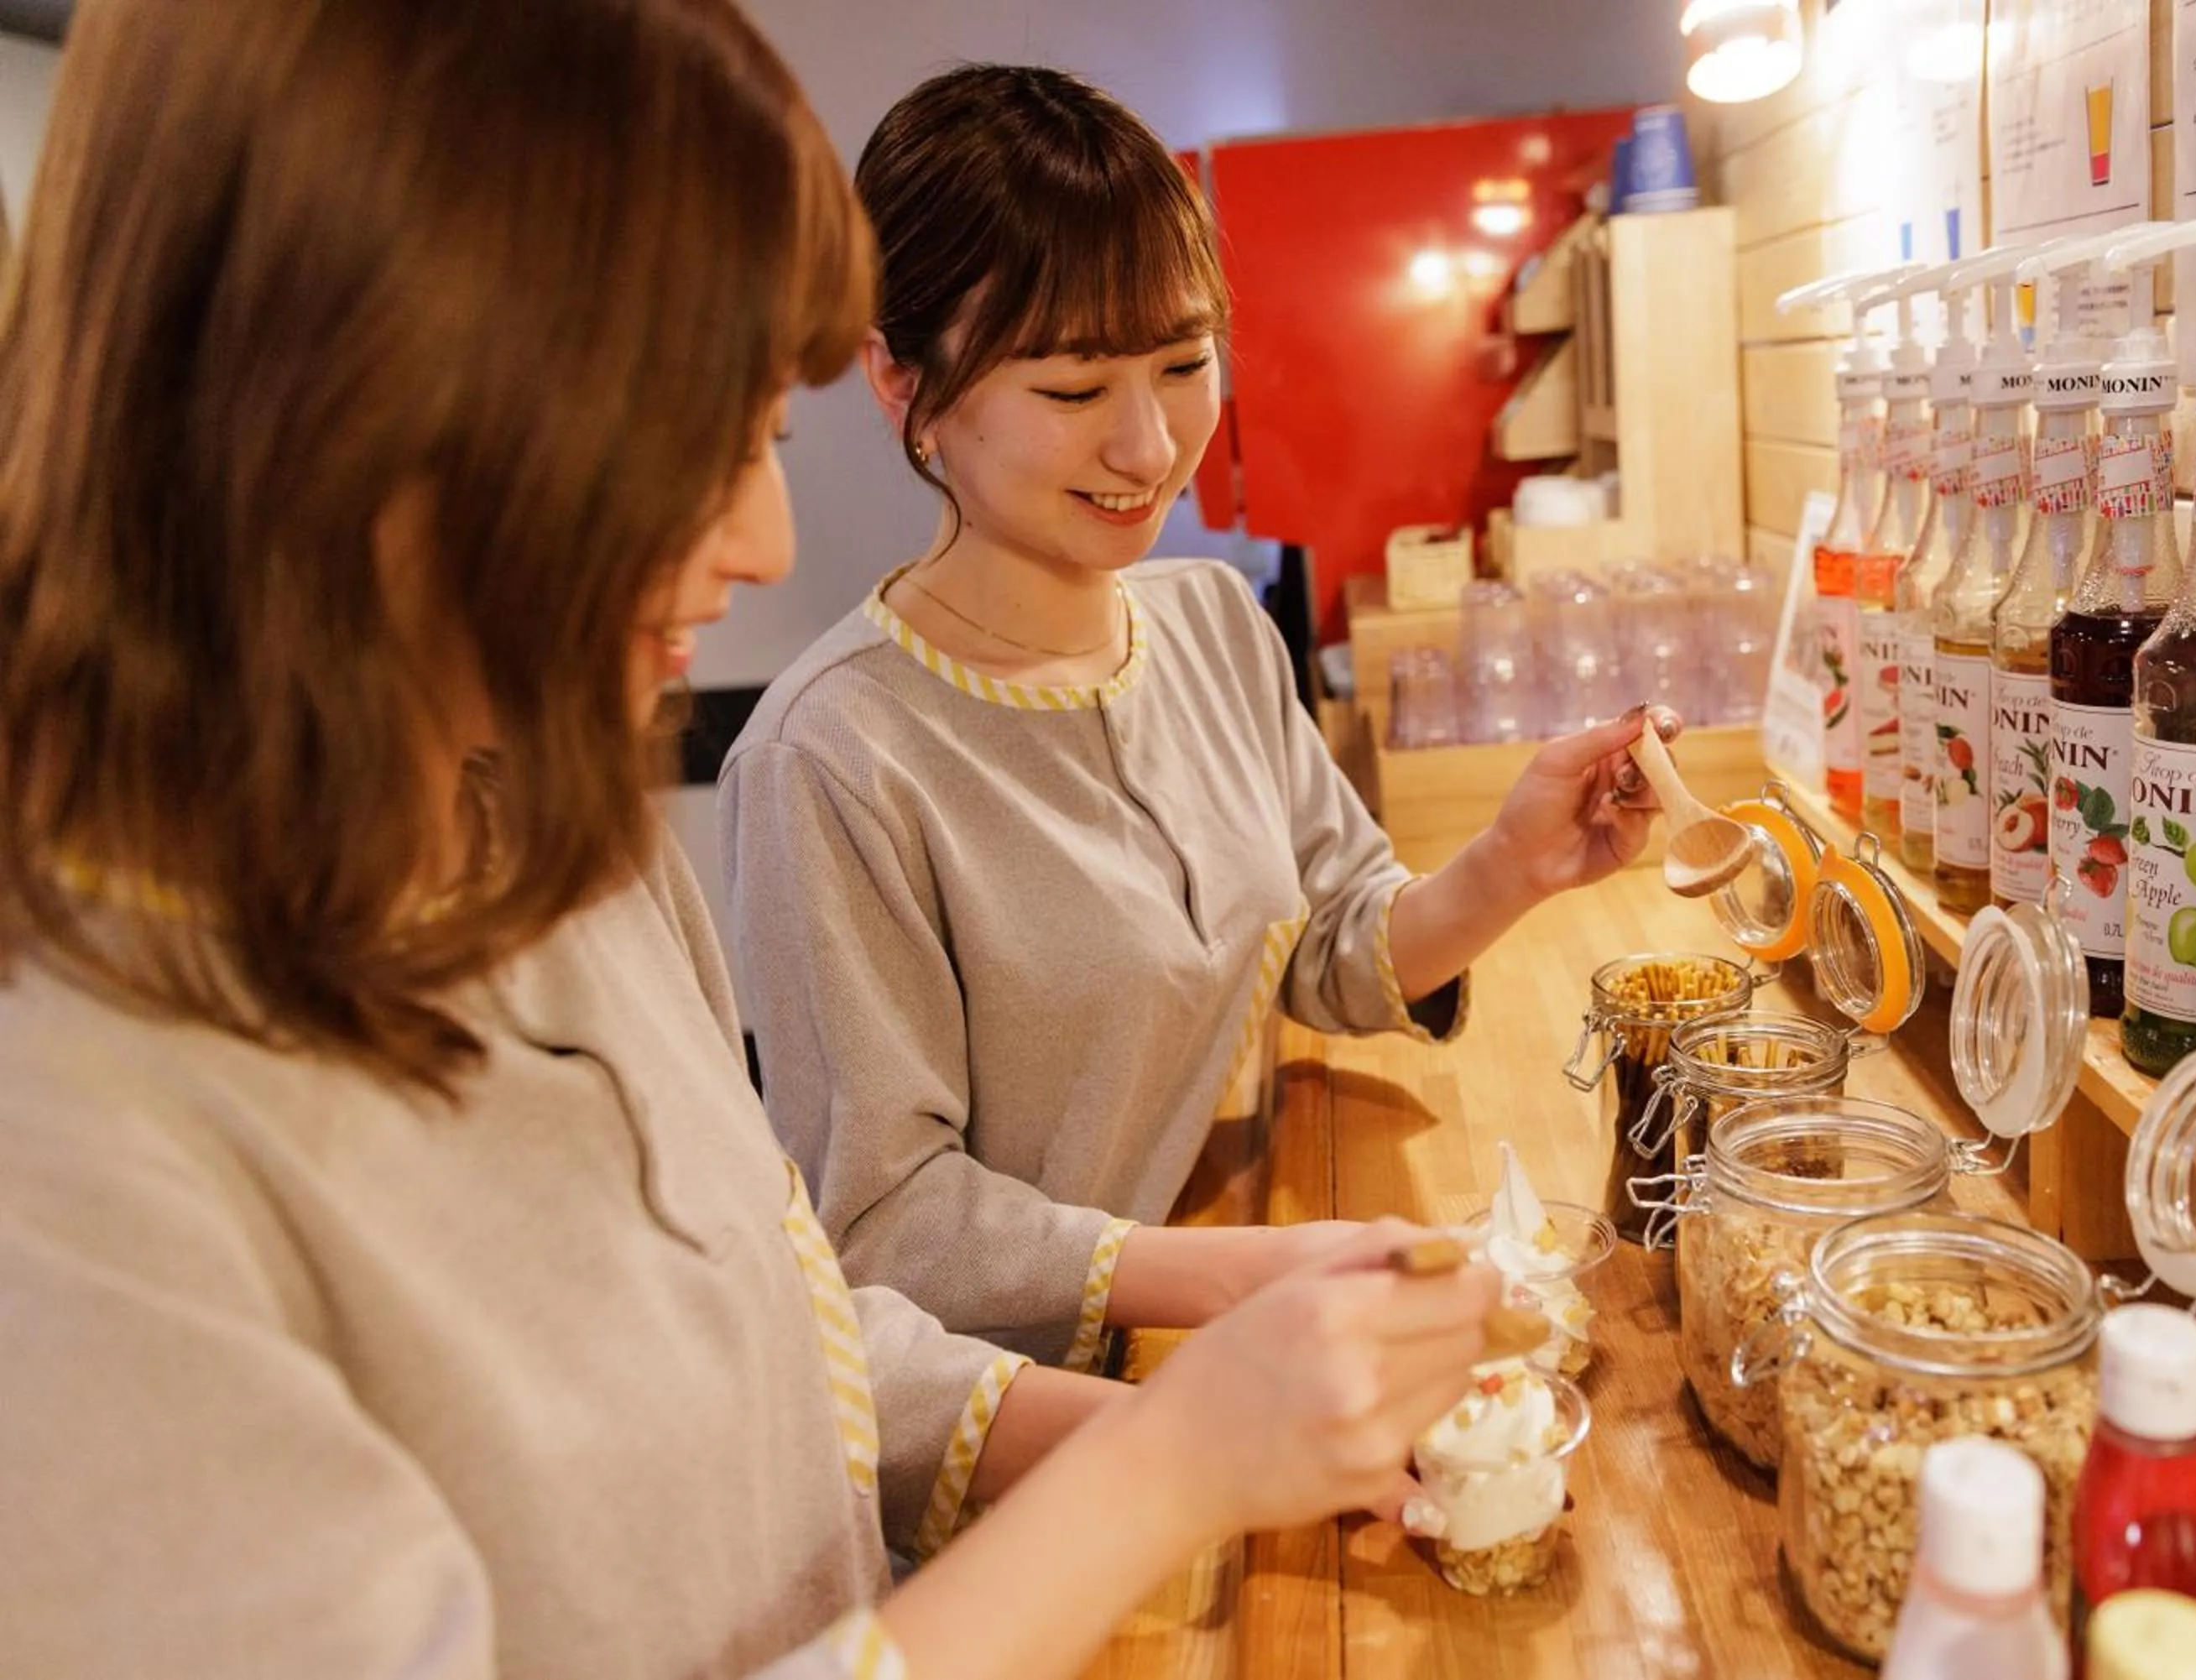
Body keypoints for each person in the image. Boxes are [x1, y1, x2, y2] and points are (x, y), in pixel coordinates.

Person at [0, 7, 1499, 1677]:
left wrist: (1241, 1430)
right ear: (328, 405)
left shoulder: (552, 824)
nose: (765, 538)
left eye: (763, 436)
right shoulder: (76, 1158)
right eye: (674, 440)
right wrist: (1167, 1464)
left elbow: (789, 1331)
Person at [720, 64, 1672, 1370]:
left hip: (1214, 1311)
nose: (1148, 445)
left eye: (1182, 363)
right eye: (1070, 390)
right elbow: (883, 1223)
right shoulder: (828, 755)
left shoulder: (1213, 622)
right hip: (1033, 1438)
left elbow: (1320, 942)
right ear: (904, 384)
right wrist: (1244, 1273)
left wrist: (1509, 867)